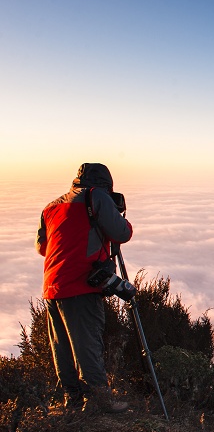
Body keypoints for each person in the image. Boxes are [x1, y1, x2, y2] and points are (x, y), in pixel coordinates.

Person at [36, 163, 133, 413]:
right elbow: (120, 233)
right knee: (87, 344)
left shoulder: (51, 206)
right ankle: (99, 401)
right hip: (81, 283)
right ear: (106, 183)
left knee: (62, 346)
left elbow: (42, 248)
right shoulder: (96, 196)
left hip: (52, 286)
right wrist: (121, 217)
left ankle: (72, 398)